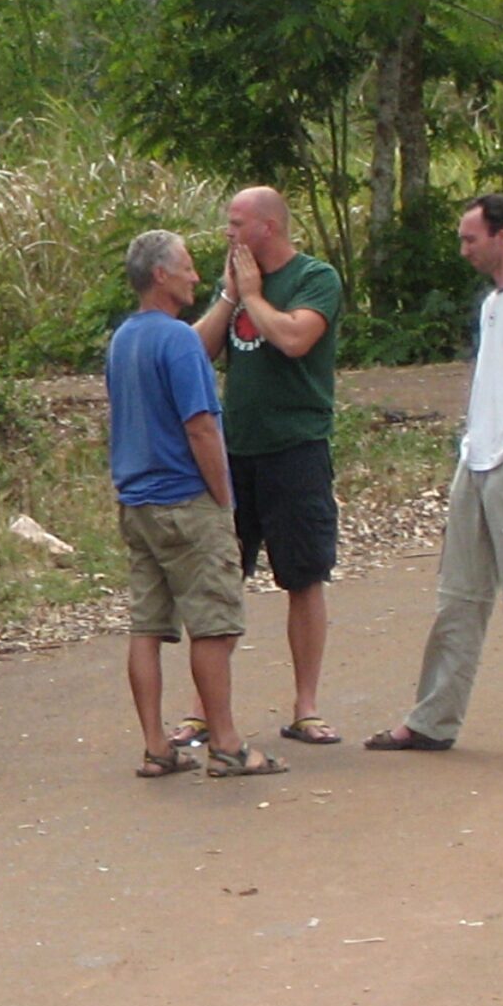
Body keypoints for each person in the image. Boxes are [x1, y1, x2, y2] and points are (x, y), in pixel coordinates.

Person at [108, 230, 287, 779]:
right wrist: (224, 501)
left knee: (147, 625)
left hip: (136, 504)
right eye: (185, 268)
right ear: (160, 276)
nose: (194, 276)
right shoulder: (181, 342)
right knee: (215, 624)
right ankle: (228, 744)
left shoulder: (123, 340)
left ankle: (156, 746)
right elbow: (202, 428)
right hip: (184, 499)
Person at [173, 186, 345, 750]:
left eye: (237, 222)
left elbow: (295, 339)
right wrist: (229, 297)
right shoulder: (235, 289)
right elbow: (195, 351)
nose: (228, 232)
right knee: (222, 578)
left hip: (296, 448)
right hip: (235, 452)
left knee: (303, 575)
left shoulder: (316, 278)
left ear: (267, 228)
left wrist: (255, 296)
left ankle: (306, 707)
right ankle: (203, 710)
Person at [366, 195, 503, 757]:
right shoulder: (491, 304)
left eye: (470, 238)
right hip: (478, 461)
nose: (464, 250)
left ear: (502, 235)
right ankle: (434, 718)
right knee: (458, 597)